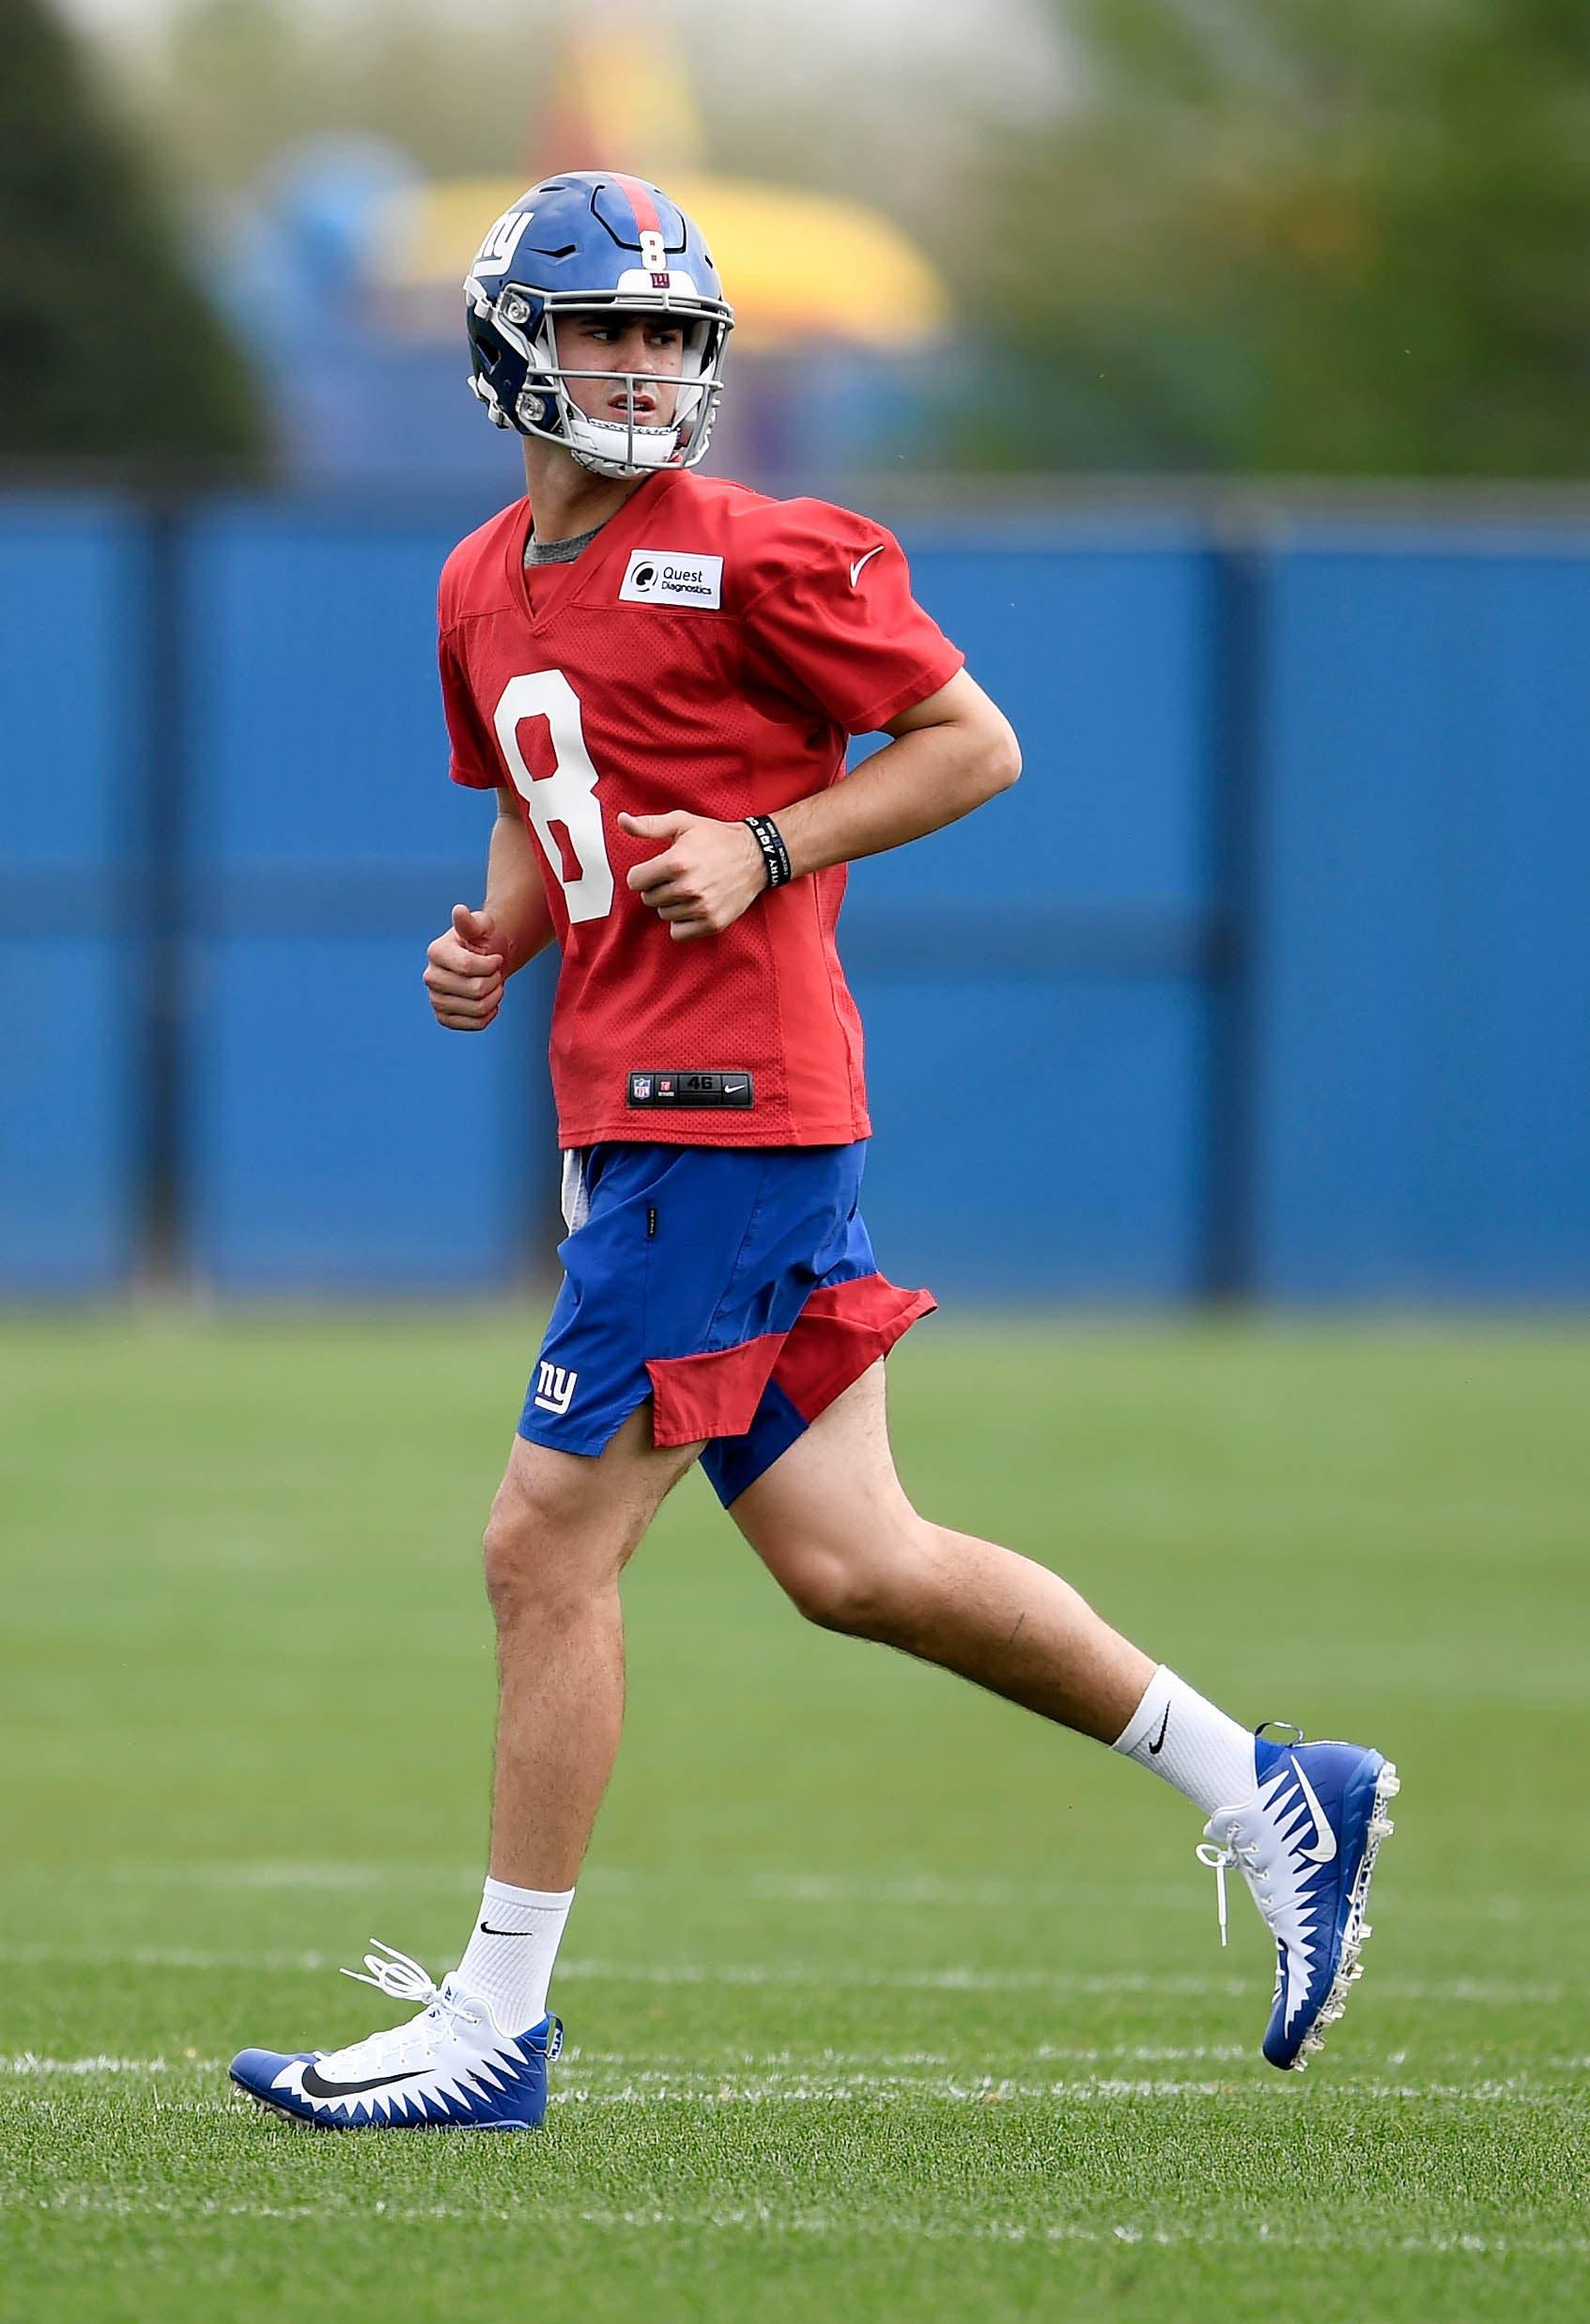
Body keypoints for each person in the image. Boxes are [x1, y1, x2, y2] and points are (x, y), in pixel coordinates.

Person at [229, 173, 1397, 2130]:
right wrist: (491, 935)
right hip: (630, 1112)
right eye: (604, 326)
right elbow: (545, 797)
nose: (640, 362)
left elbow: (969, 742)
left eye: (669, 334)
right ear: (515, 346)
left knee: (542, 1549)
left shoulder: (765, 548)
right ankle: (1267, 1783)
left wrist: (773, 844)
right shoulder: (473, 584)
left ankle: (494, 2021)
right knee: (858, 1563)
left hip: (733, 1120)